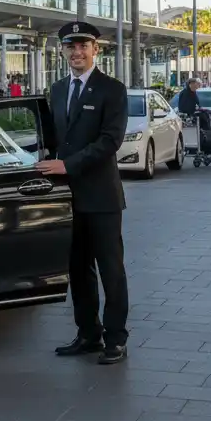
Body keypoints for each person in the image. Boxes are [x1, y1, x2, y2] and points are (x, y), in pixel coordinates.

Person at [36, 21, 130, 365]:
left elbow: (110, 141)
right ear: (63, 51)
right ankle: (88, 333)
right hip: (68, 197)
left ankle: (115, 339)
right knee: (78, 269)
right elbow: (54, 139)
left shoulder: (112, 89)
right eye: (70, 47)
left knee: (111, 270)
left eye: (83, 46)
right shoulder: (58, 89)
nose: (77, 52)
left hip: (102, 197)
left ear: (95, 50)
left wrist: (67, 165)